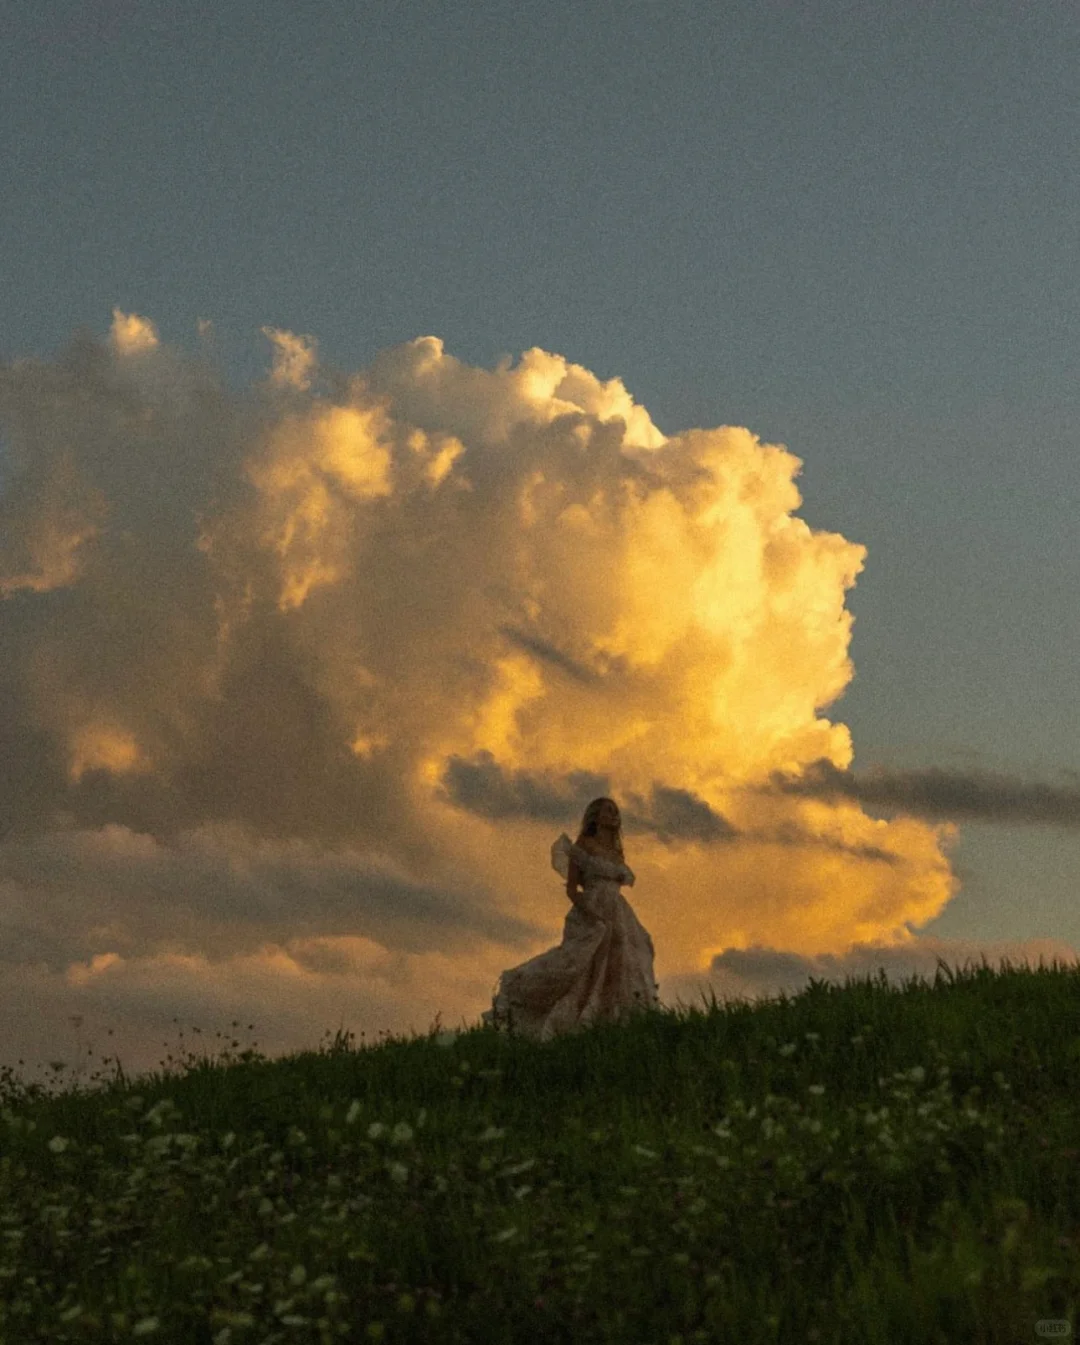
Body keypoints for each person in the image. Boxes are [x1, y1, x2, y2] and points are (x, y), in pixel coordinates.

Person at [481, 797, 659, 1041]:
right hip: (592, 909)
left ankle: (616, 1020)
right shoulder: (583, 845)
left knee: (623, 961)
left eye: (616, 811)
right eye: (609, 810)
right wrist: (590, 912)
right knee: (583, 964)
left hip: (617, 911)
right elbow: (572, 889)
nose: (615, 815)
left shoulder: (617, 853)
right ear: (595, 816)